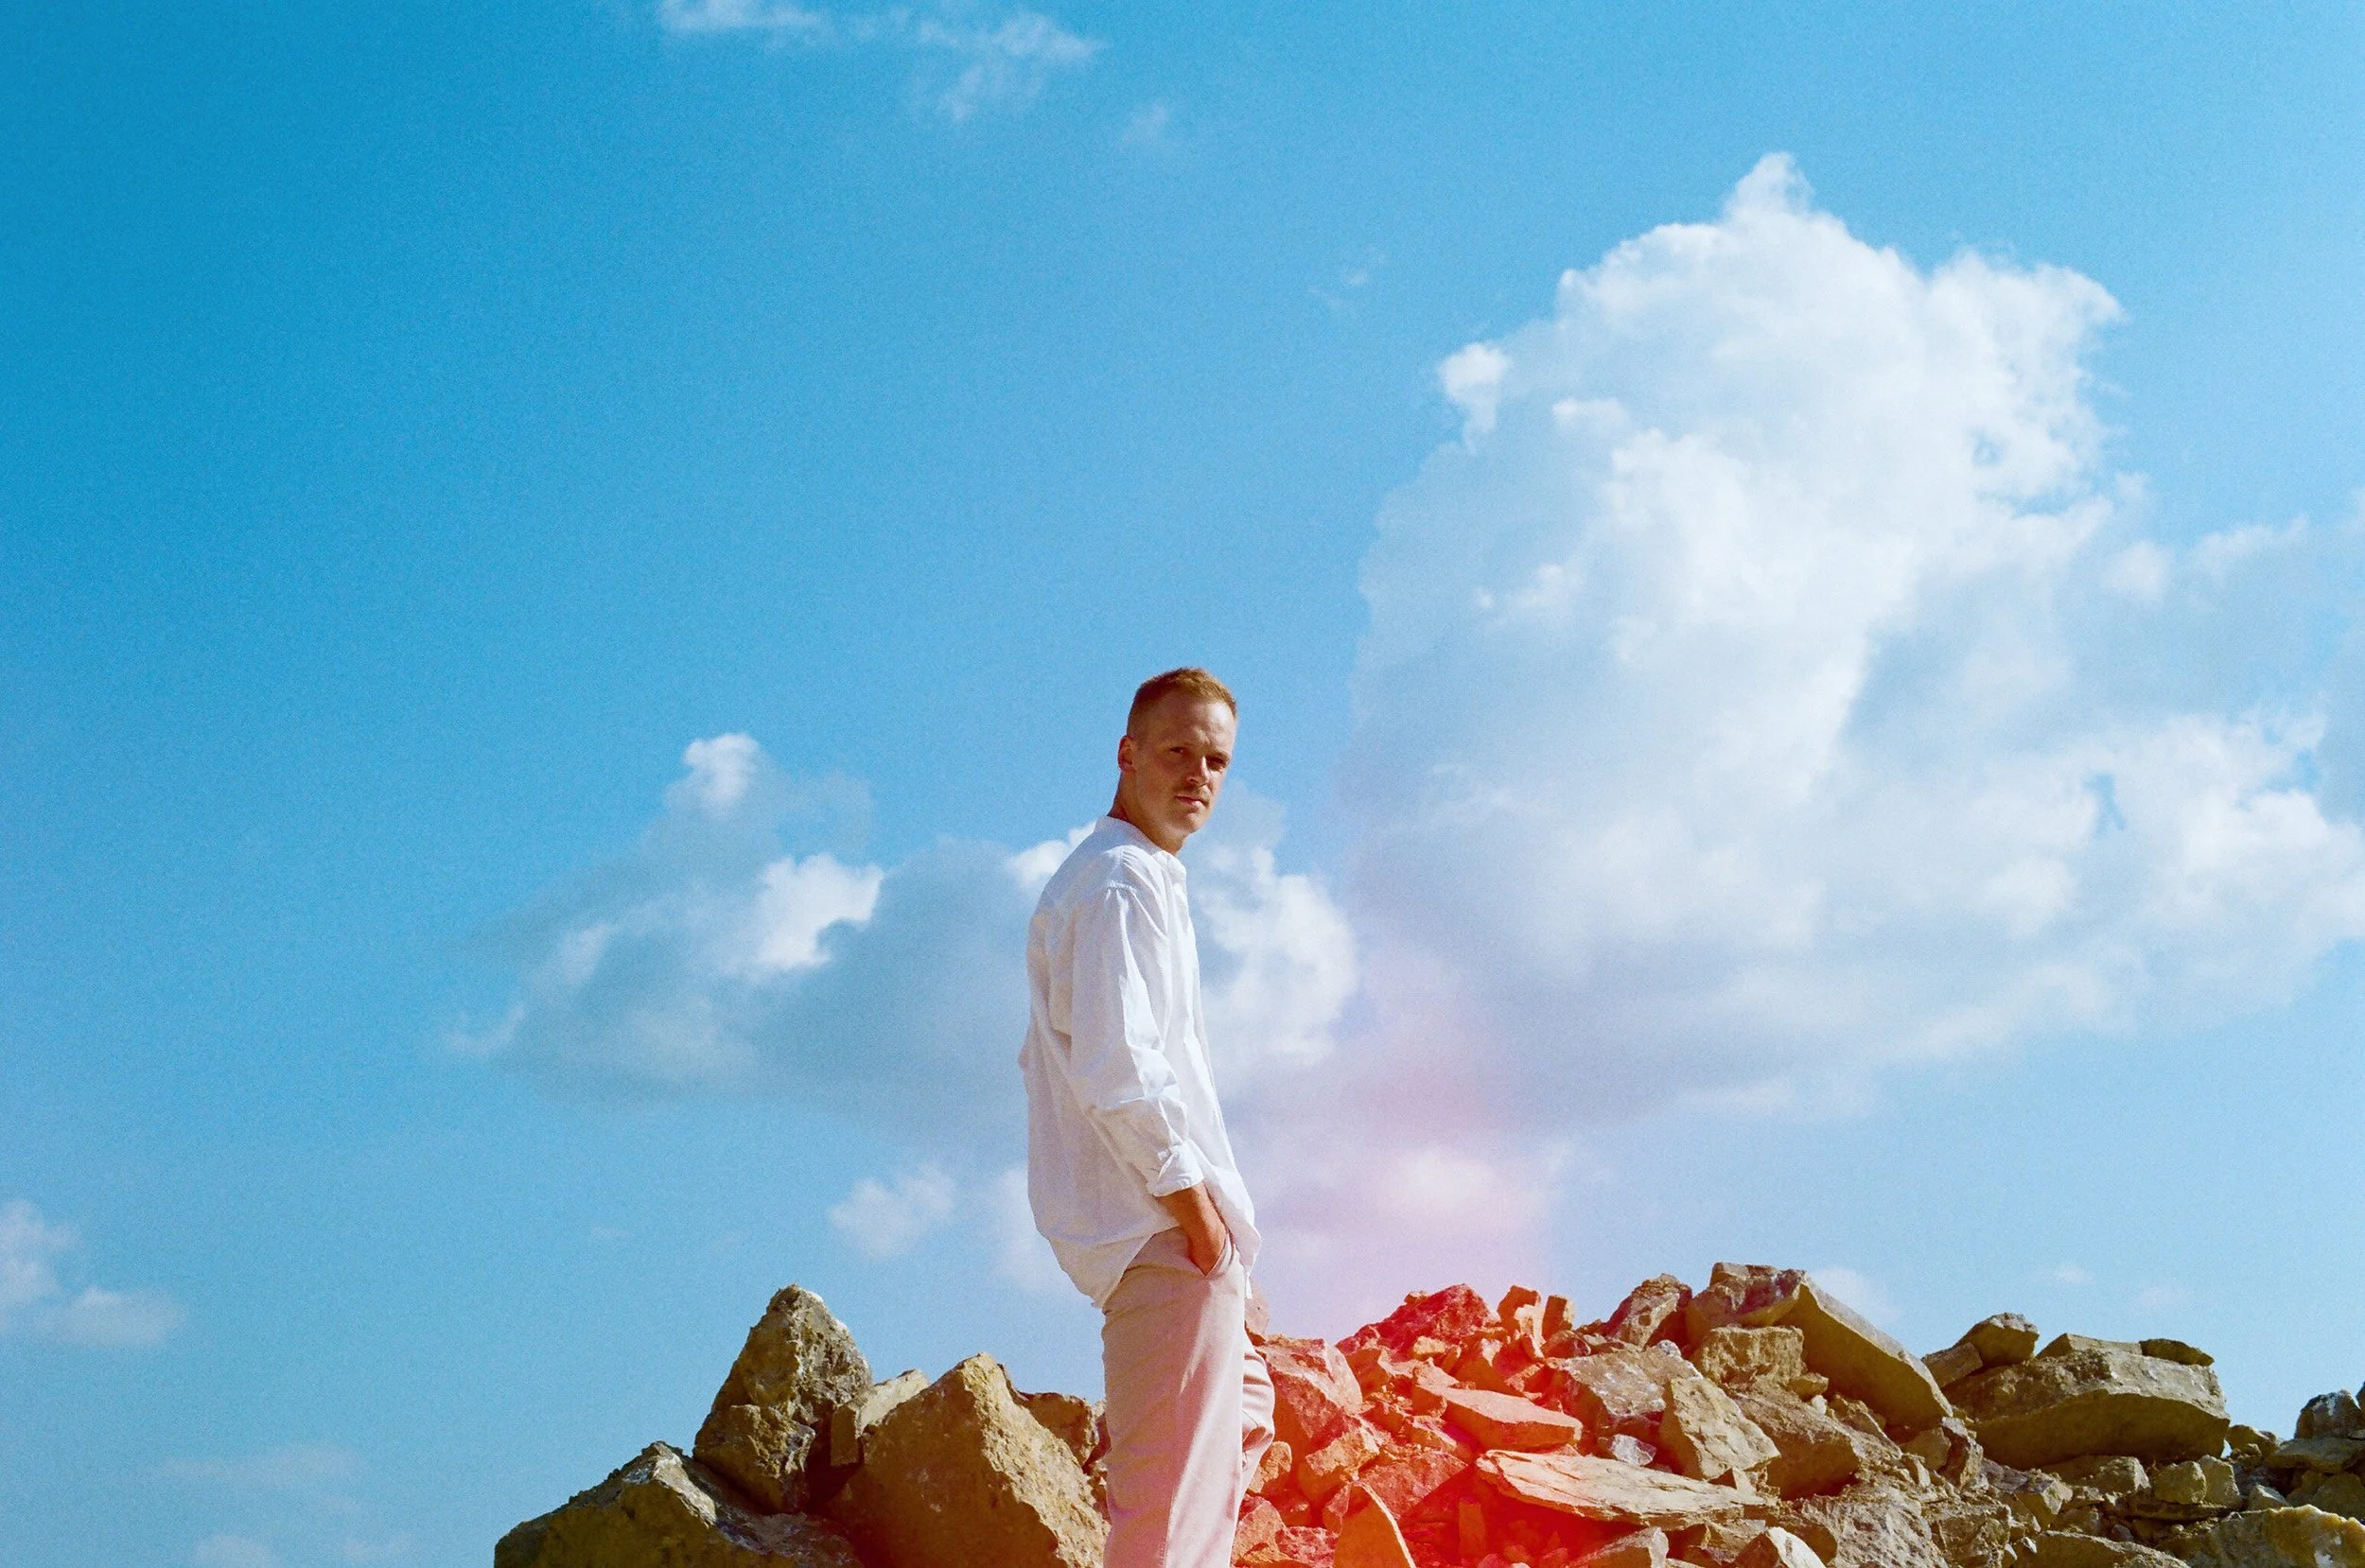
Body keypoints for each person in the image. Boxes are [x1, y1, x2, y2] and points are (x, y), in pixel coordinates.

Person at [1020, 666, 1275, 1568]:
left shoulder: (1140, 877)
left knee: (1244, 1416)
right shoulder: (1118, 883)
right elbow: (1118, 1065)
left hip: (1174, 1232)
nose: (1199, 776)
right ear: (1127, 755)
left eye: (1217, 761)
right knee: (1167, 1517)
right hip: (1158, 1228)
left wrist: (1225, 1242)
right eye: (1178, 752)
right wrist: (1197, 1218)